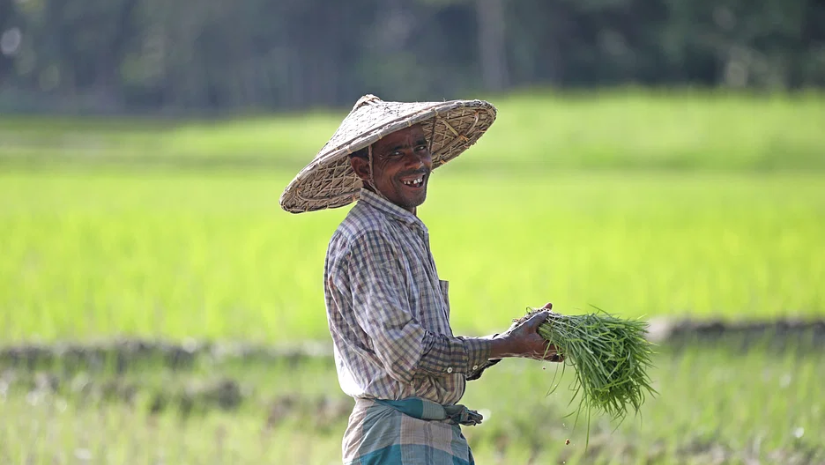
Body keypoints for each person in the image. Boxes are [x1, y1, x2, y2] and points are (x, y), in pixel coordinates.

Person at [280, 95, 562, 465]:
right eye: (396, 153)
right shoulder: (371, 236)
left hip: (427, 437)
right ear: (362, 168)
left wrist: (509, 342)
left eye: (420, 147)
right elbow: (409, 356)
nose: (416, 162)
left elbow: (431, 358)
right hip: (401, 438)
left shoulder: (402, 230)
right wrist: (507, 345)